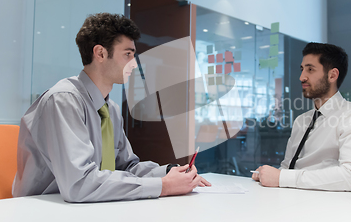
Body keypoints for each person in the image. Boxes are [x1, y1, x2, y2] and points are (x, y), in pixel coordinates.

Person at [13, 13, 210, 202]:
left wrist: (169, 173)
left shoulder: (110, 109)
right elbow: (79, 185)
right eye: (127, 54)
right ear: (100, 53)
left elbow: (126, 167)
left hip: (88, 207)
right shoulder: (64, 100)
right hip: (42, 212)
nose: (134, 64)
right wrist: (163, 186)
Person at [252, 43, 351, 190]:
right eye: (302, 69)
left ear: (332, 75)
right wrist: (269, 175)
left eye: (310, 69)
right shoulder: (301, 121)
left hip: (325, 206)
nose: (302, 77)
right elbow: (287, 167)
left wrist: (282, 177)